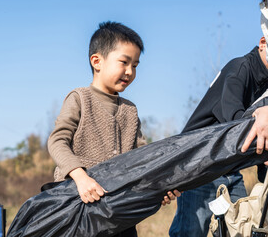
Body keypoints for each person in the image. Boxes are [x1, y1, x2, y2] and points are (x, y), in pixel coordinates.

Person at [47, 21, 180, 237]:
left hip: (119, 210)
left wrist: (161, 186)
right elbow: (57, 141)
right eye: (124, 62)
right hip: (79, 206)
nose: (130, 71)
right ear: (97, 61)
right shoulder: (79, 99)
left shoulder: (130, 110)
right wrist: (80, 178)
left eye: (135, 65)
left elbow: (142, 157)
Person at [169, 36, 268, 237]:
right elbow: (234, 124)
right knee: (190, 231)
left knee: (239, 227)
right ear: (263, 43)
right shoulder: (239, 69)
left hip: (230, 169)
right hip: (199, 165)